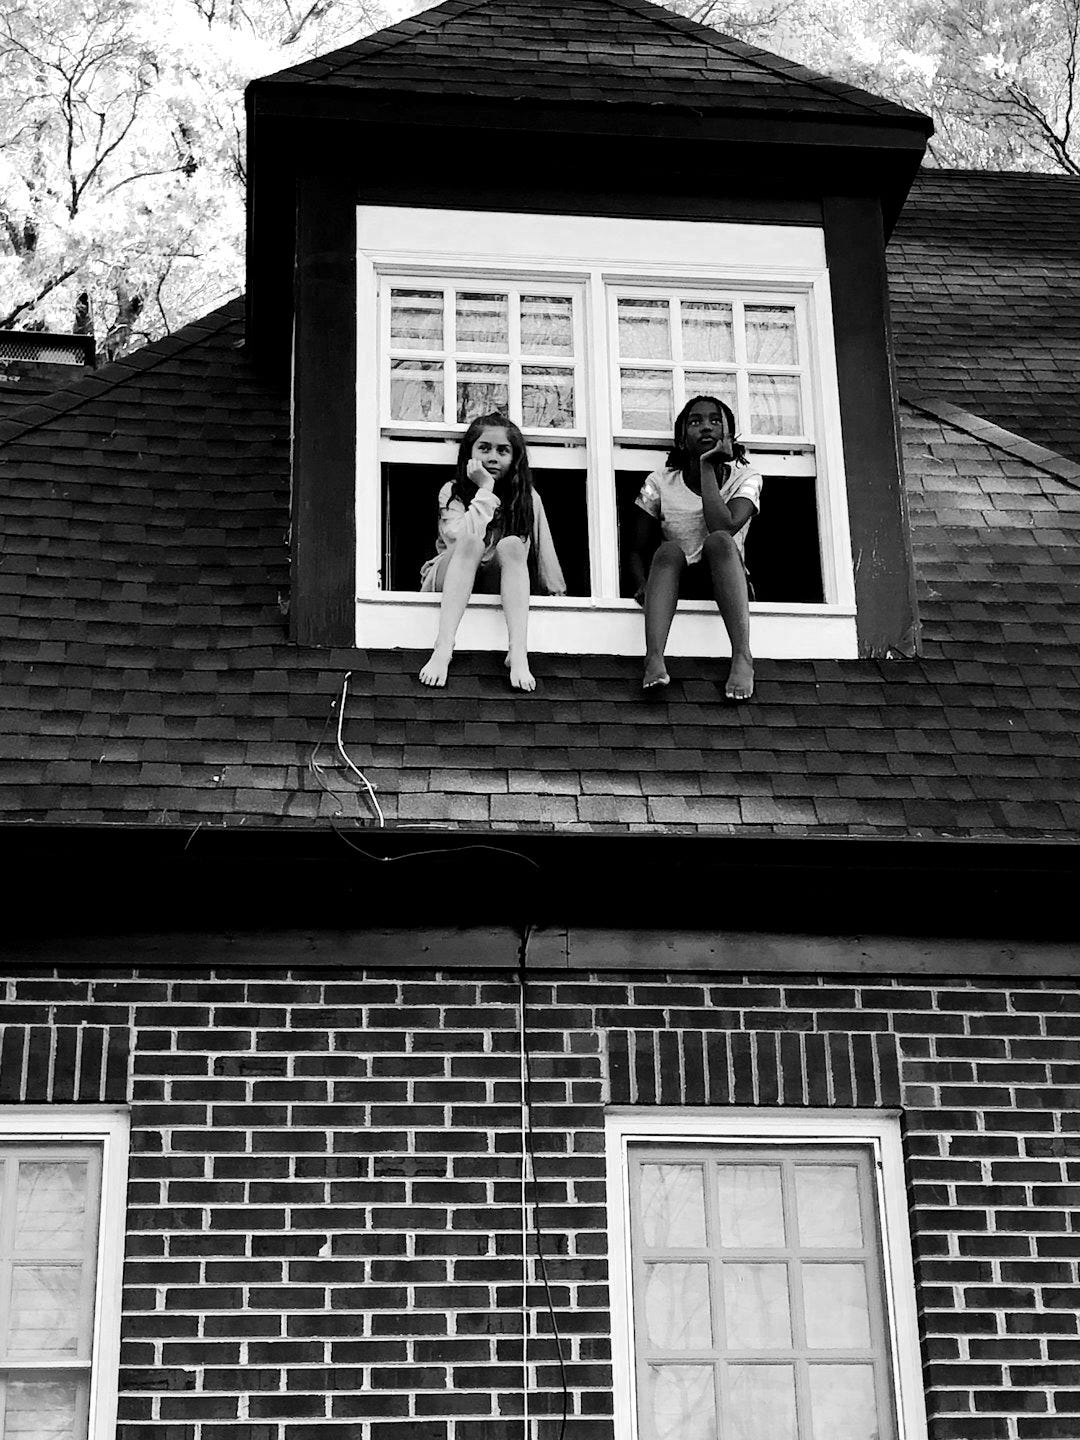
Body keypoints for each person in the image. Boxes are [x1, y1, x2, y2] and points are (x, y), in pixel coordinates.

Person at [419, 413, 566, 692]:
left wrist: (557, 595)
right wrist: (485, 489)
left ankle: (518, 652)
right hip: (451, 574)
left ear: (515, 457)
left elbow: (543, 548)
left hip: (493, 580)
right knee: (472, 543)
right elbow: (457, 540)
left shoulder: (528, 497)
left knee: (513, 545)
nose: (493, 458)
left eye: (502, 450)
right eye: (484, 448)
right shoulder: (452, 491)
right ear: (470, 452)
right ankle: (443, 647)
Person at [630, 395, 762, 700]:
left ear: (728, 436)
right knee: (667, 550)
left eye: (715, 421)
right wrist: (641, 583)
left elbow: (723, 525)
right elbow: (636, 548)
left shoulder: (747, 478)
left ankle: (742, 656)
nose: (706, 427)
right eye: (695, 421)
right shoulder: (660, 482)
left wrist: (707, 467)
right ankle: (653, 658)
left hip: (726, 581)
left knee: (719, 541)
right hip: (675, 582)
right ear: (681, 438)